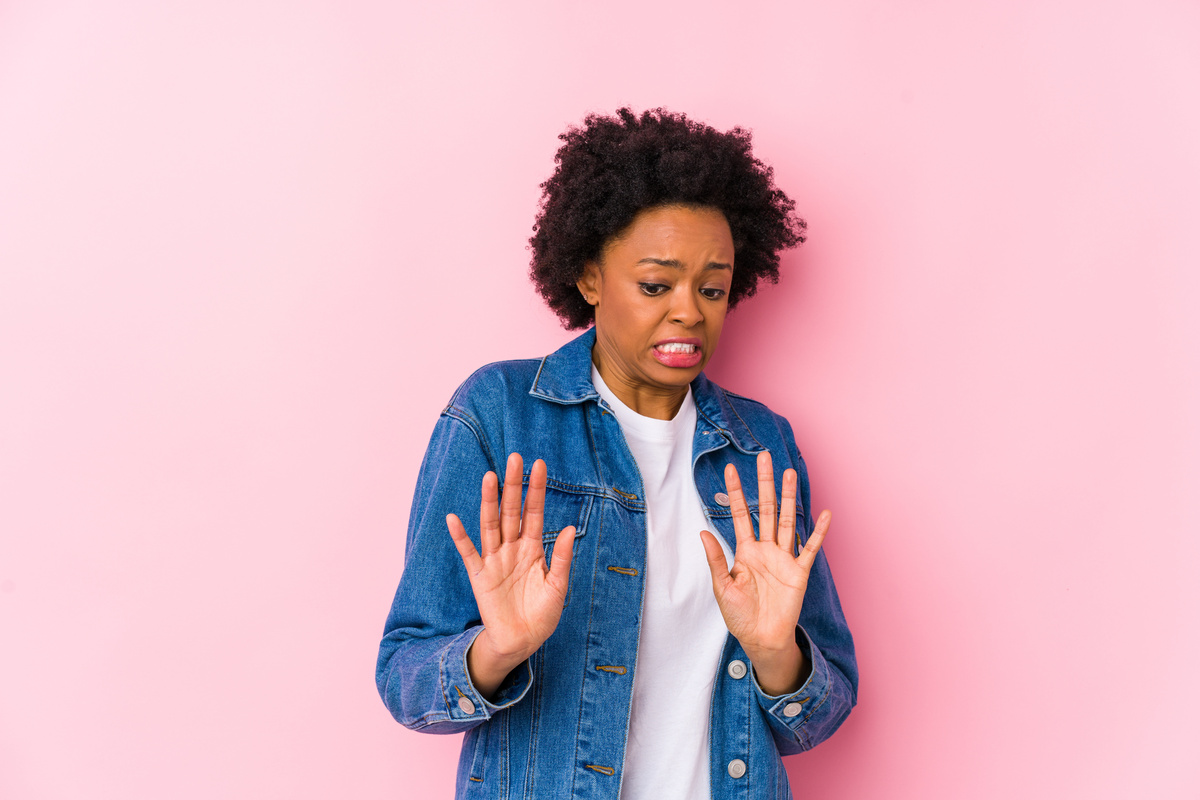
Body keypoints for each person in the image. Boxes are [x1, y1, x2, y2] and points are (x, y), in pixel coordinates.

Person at [376, 107, 858, 800]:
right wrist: (498, 649)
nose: (690, 311)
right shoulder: (499, 416)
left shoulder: (762, 448)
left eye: (713, 288)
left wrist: (777, 652)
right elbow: (405, 676)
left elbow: (820, 710)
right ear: (590, 277)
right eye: (657, 285)